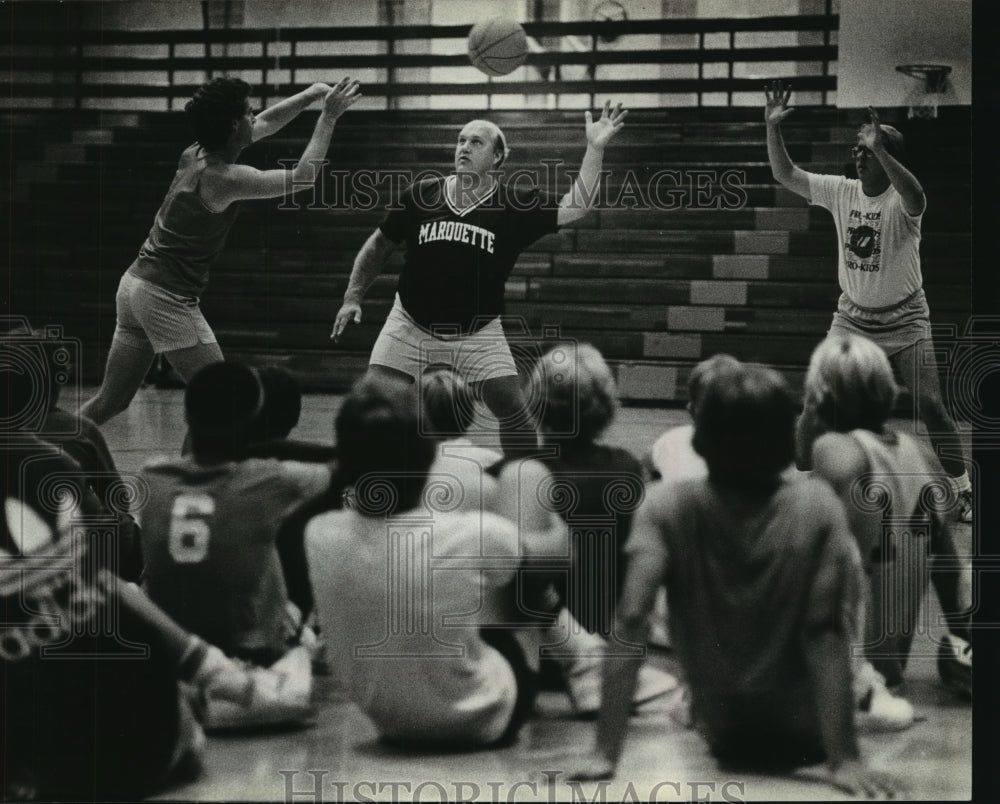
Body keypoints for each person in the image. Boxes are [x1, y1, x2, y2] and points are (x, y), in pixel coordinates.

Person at [565, 363, 905, 798]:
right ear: (785, 438)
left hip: (722, 730)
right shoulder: (817, 506)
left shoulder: (666, 508)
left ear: (701, 439)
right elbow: (825, 633)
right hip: (808, 737)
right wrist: (844, 759)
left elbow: (632, 619)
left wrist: (604, 754)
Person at [330, 102, 629, 455]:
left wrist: (595, 149)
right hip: (408, 324)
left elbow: (577, 206)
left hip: (478, 332)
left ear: (498, 158)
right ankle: (359, 482)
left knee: (514, 413)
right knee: (372, 405)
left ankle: (523, 479)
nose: (464, 147)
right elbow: (378, 245)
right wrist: (352, 297)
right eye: (461, 140)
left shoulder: (514, 204)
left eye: (476, 142)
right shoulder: (422, 193)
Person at [81, 76, 362, 426]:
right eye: (248, 112)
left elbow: (266, 123)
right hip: (164, 296)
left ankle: (41, 456)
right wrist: (329, 117)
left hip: (134, 286)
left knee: (110, 401)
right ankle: (195, 480)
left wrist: (309, 94)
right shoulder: (225, 178)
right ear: (233, 124)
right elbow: (304, 177)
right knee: (225, 403)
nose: (255, 116)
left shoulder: (195, 152)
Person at [764, 81, 973, 522]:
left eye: (866, 149)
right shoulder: (842, 191)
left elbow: (915, 193)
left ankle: (963, 489)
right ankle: (806, 490)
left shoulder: (903, 199)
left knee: (931, 406)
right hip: (852, 318)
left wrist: (880, 148)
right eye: (857, 150)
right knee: (813, 406)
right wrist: (772, 129)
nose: (857, 155)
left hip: (906, 316)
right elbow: (786, 175)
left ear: (885, 154)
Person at [139, 361, 333, 728]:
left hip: (170, 654)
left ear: (187, 415)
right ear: (252, 421)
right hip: (250, 656)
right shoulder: (270, 480)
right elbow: (355, 463)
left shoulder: (153, 474)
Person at [802, 334, 972, 698]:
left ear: (822, 398)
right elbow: (949, 571)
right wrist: (964, 639)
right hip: (889, 668)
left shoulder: (834, 450)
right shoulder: (922, 457)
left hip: (842, 666)